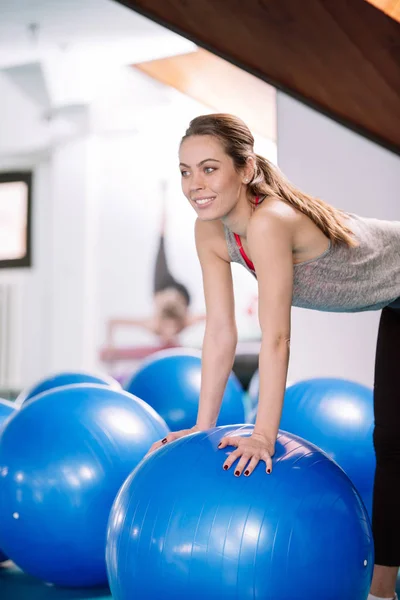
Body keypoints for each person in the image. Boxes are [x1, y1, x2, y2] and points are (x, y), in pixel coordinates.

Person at [148, 113, 400, 600]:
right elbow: (221, 332)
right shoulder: (210, 231)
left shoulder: (268, 224)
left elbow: (278, 339)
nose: (194, 185)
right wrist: (204, 427)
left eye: (208, 168)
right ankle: (383, 590)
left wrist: (264, 436)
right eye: (185, 171)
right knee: (391, 440)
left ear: (244, 170)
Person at [106, 182, 205, 348]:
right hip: (178, 294)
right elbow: (112, 322)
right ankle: (164, 199)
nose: (169, 333)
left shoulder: (159, 322)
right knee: (161, 239)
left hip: (165, 290)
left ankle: (164, 199)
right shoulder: (180, 321)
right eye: (170, 329)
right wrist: (110, 345)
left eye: (170, 328)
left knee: (161, 241)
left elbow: (213, 319)